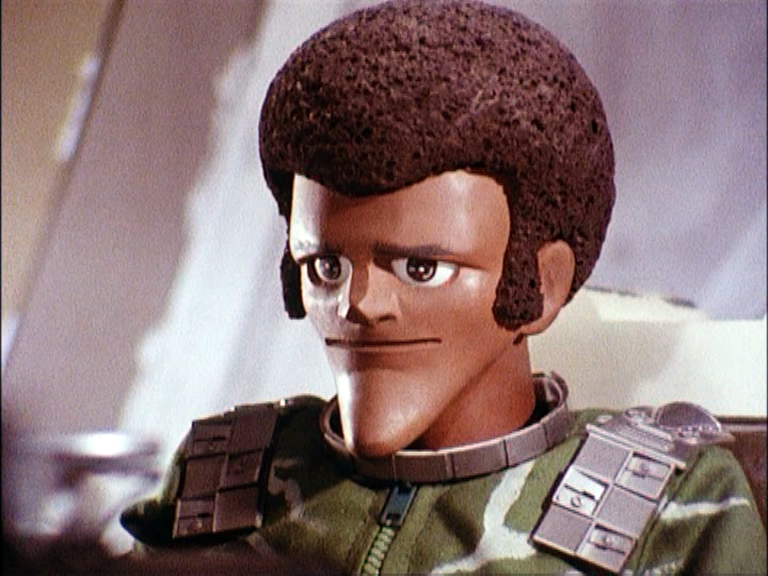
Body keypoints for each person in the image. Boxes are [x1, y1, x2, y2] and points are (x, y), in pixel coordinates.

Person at [121, 1, 767, 573]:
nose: (358, 304)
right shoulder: (225, 483)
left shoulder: (671, 513)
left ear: (539, 285)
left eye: (421, 269)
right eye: (326, 266)